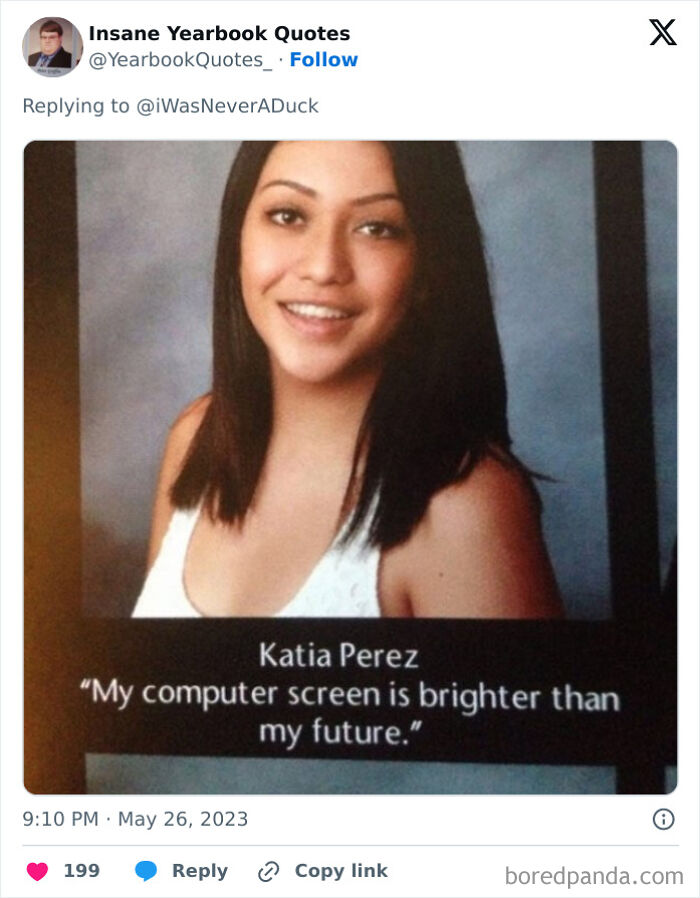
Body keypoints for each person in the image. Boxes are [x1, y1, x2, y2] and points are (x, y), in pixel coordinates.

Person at [133, 141, 562, 618]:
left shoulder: (465, 506)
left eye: (376, 228)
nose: (323, 267)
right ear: (238, 236)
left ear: (429, 269)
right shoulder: (197, 436)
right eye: (289, 215)